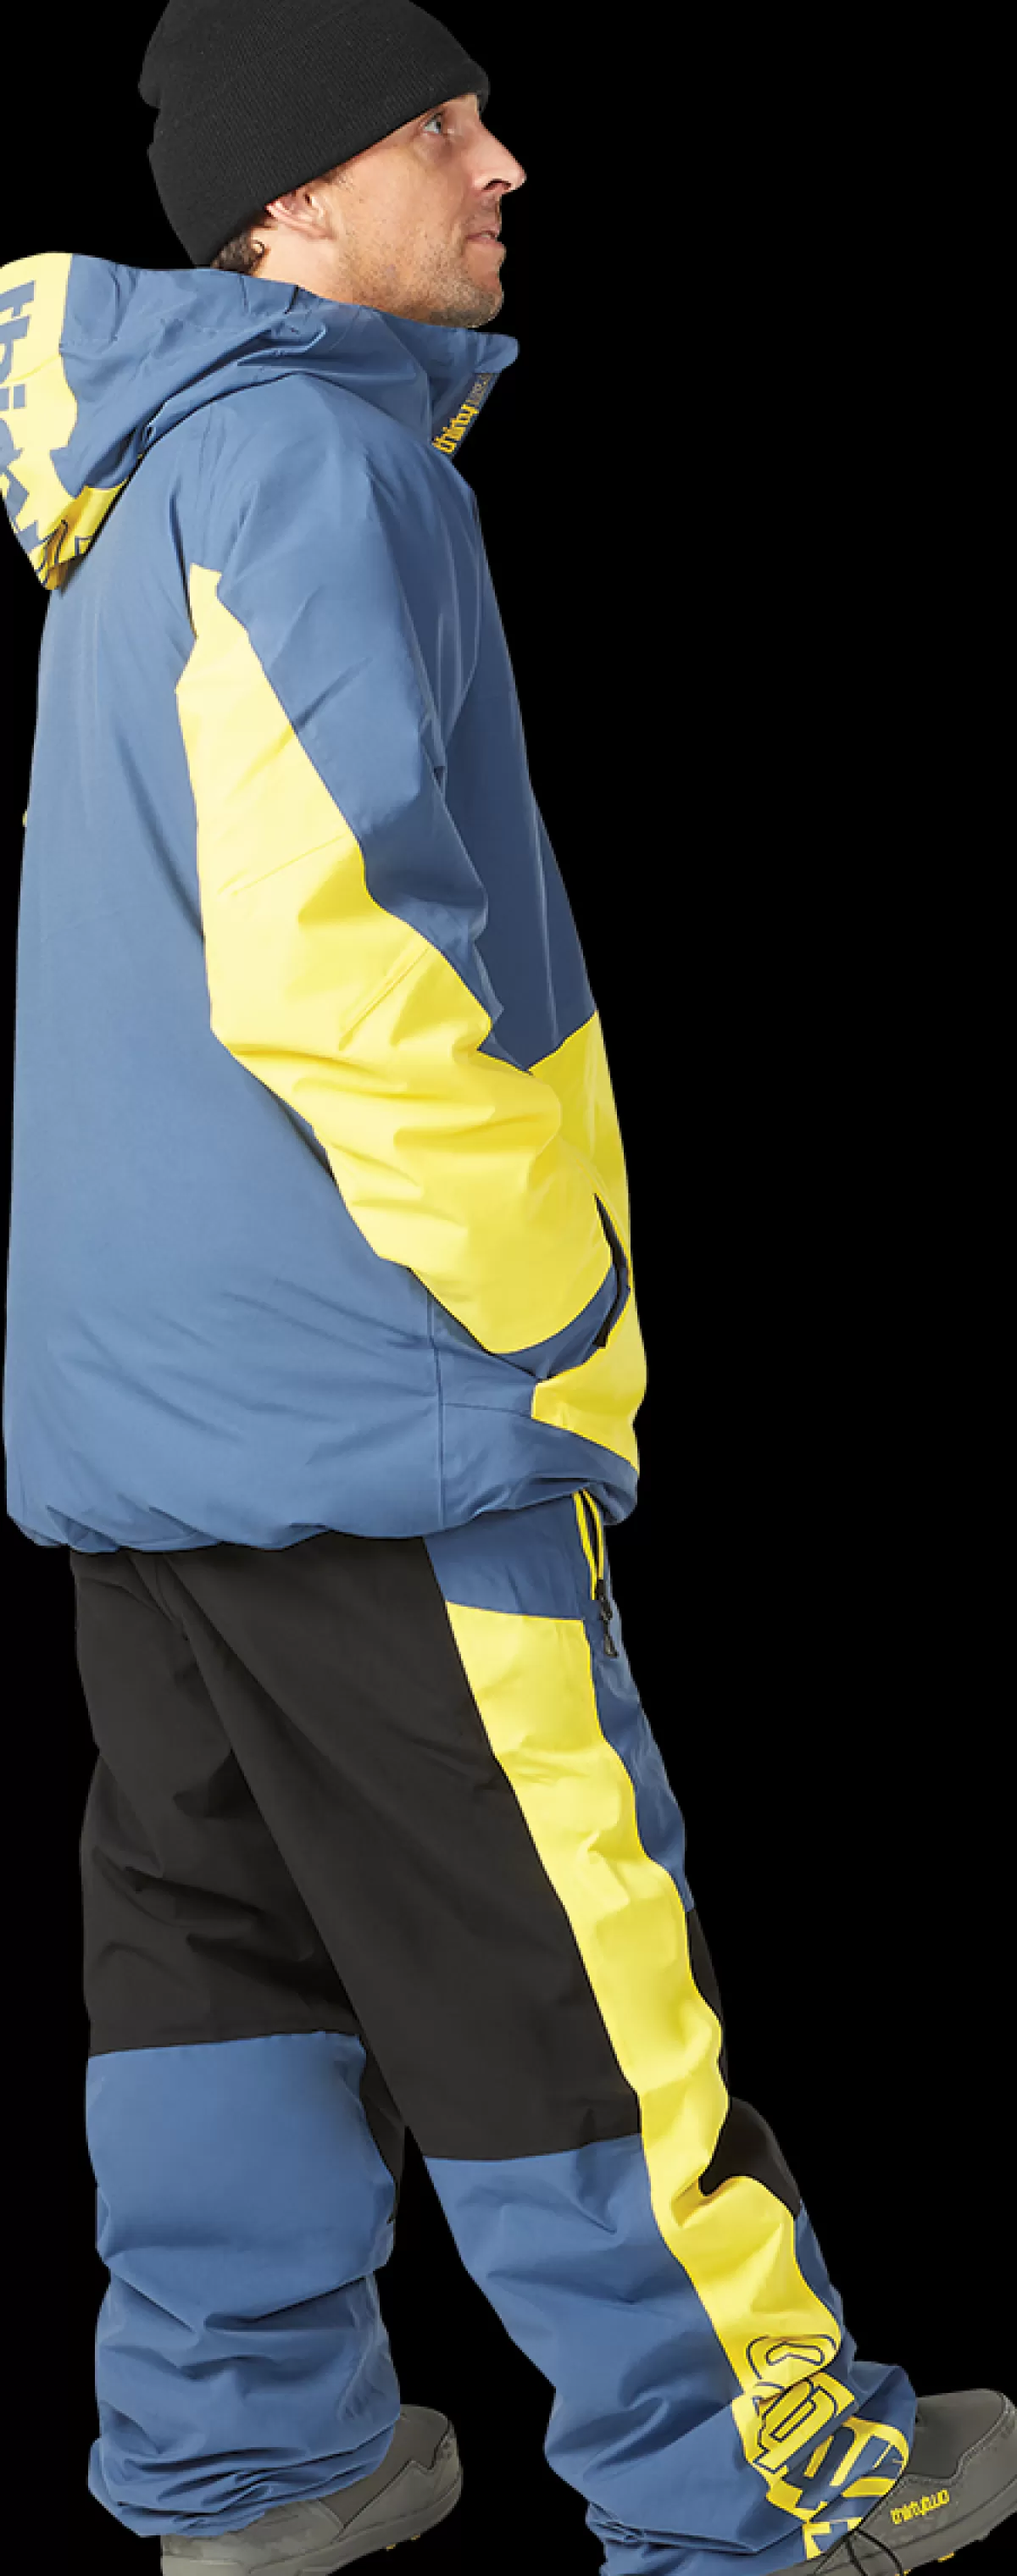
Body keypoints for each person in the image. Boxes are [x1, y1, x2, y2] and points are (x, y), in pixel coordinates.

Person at [1, 3, 1014, 2570]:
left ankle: (253, 2455)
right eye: (442, 126)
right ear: (294, 198)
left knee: (215, 1944)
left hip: (147, 1405)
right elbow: (344, 951)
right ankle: (756, 2466)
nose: (505, 165)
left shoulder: (151, 479)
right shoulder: (310, 462)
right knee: (552, 1935)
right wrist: (540, 1302)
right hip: (368, 1380)